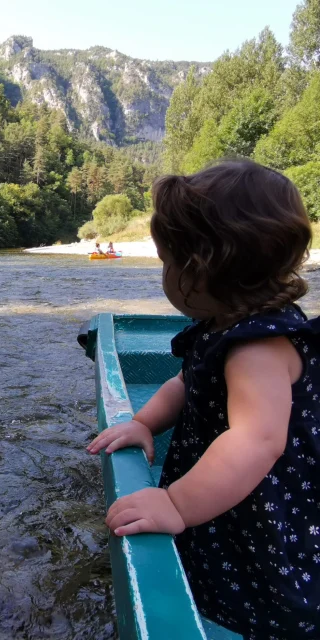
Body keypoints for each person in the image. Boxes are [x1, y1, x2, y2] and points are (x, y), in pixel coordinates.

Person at [87, 160, 319, 639]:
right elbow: (185, 382)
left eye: (168, 263)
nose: (165, 275)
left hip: (260, 507)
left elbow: (256, 441)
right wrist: (146, 423)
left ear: (201, 269)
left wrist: (176, 502)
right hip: (227, 494)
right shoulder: (223, 328)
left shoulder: (257, 347)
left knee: (262, 603)